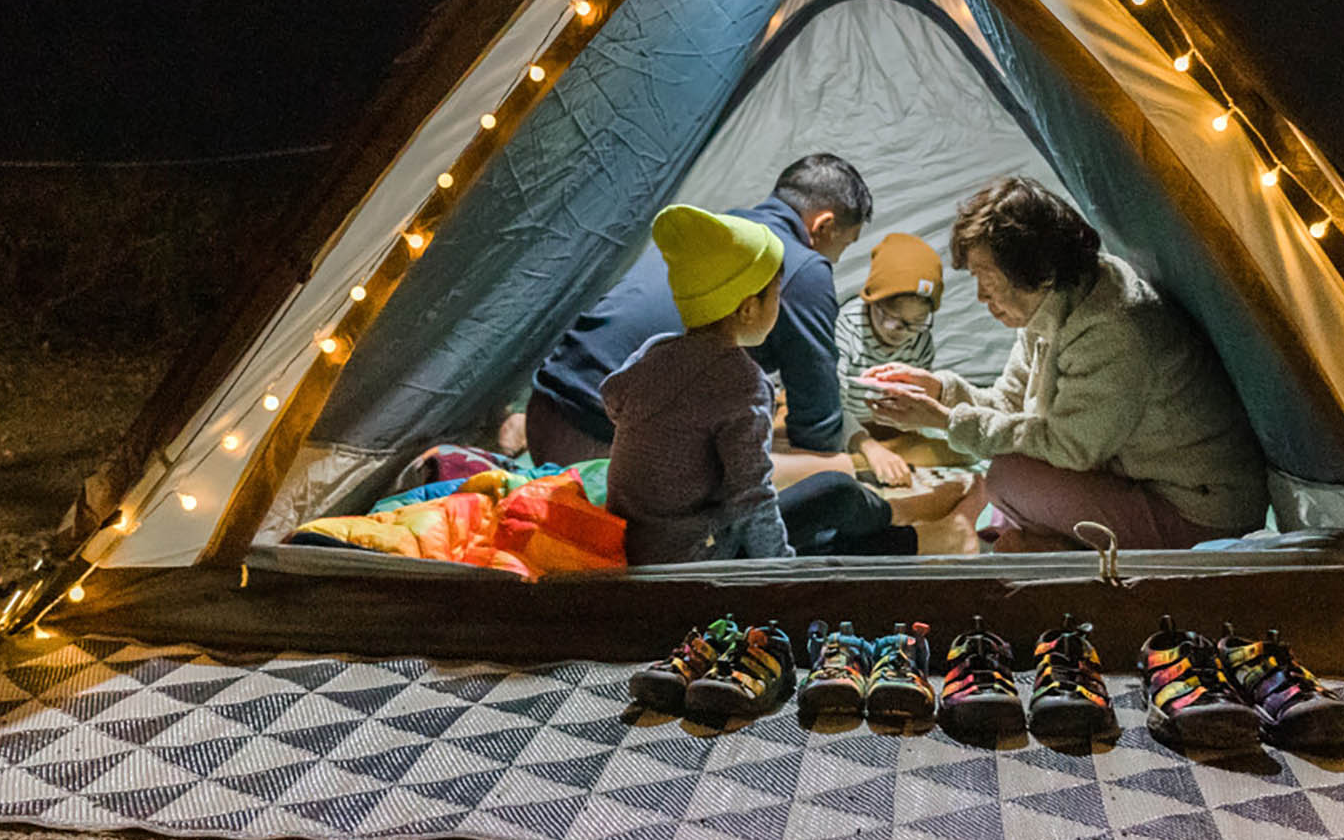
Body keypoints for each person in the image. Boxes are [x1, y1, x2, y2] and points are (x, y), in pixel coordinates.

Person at [866, 176, 1268, 551]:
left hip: (1201, 511)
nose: (980, 297)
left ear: (1034, 270)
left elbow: (1069, 447)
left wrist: (944, 421)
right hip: (1130, 476)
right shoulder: (1054, 303)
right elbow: (1010, 403)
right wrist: (941, 391)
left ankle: (1041, 545)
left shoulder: (1114, 326)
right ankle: (1033, 540)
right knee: (1005, 472)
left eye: (986, 280)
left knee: (1007, 477)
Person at [525, 154, 871, 469]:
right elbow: (817, 419)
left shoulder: (712, 227)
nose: (836, 260)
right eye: (844, 245)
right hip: (605, 444)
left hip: (545, 410)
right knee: (830, 467)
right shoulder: (800, 267)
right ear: (823, 225)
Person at [602, 205, 793, 563]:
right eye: (778, 294)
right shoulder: (743, 383)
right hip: (690, 557)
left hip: (632, 541)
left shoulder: (654, 351)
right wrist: (784, 572)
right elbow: (751, 498)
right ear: (748, 308)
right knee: (838, 493)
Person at [835, 232, 944, 488]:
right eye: (893, 317)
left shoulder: (920, 337)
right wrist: (867, 446)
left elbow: (918, 398)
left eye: (916, 322)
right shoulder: (847, 328)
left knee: (948, 451)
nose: (902, 331)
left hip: (889, 425)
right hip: (844, 423)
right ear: (872, 301)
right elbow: (830, 403)